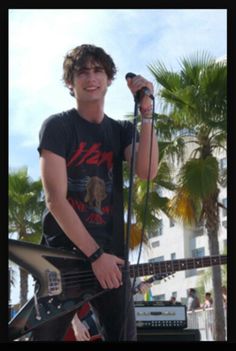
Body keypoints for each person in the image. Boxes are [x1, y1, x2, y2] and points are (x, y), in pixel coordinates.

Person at [33, 44, 159, 341]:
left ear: (109, 79)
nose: (91, 77)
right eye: (83, 72)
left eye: (98, 70)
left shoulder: (120, 130)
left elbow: (148, 171)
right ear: (70, 82)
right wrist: (95, 255)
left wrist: (148, 114)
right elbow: (55, 200)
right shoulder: (58, 127)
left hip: (111, 258)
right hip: (62, 261)